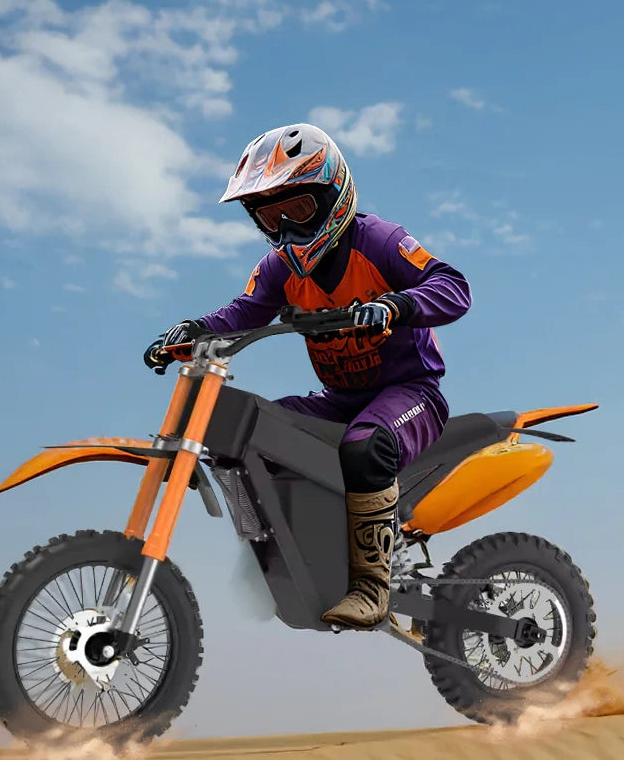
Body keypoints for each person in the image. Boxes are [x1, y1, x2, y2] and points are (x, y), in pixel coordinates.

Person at [144, 123, 471, 629]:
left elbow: (452, 286)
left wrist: (396, 305)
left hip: (410, 393)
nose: (288, 230)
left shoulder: (379, 240)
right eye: (270, 216)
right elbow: (245, 311)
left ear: (333, 193)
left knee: (365, 448)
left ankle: (370, 587)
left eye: (297, 210)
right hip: (340, 397)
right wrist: (192, 331)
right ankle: (302, 555)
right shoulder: (278, 268)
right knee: (250, 432)